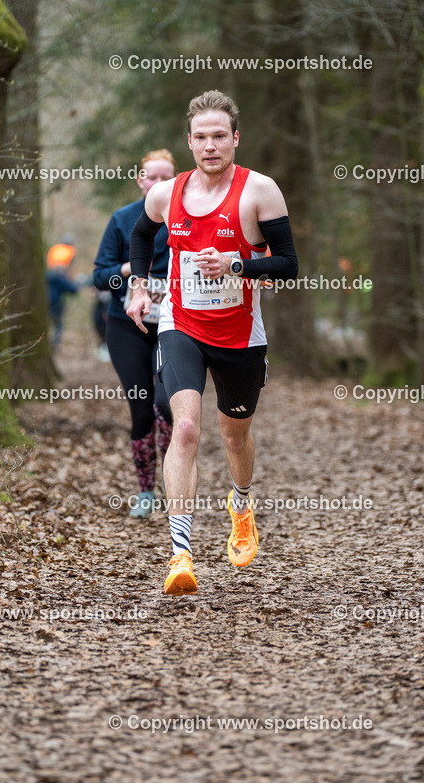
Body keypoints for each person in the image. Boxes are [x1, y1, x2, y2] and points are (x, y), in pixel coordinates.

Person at [127, 91, 298, 594]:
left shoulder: (260, 191)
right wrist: (140, 283)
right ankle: (181, 552)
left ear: (235, 138)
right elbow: (141, 237)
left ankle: (240, 504)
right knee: (184, 428)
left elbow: (288, 265)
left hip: (241, 336)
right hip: (181, 325)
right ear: (189, 142)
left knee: (234, 436)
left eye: (219, 135)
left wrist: (237, 264)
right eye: (200, 137)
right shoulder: (167, 194)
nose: (210, 145)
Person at [94, 150, 176, 518]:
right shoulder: (123, 219)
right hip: (126, 328)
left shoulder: (187, 218)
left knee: (167, 406)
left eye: (166, 178)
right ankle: (145, 491)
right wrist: (131, 269)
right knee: (142, 409)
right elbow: (100, 276)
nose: (159, 184)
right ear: (140, 181)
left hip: (174, 327)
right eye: (152, 178)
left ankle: (173, 482)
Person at [46, 236, 80, 350]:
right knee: (58, 323)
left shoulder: (55, 249)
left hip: (48, 294)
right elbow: (72, 288)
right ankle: (55, 343)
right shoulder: (69, 251)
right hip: (56, 301)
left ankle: (50, 341)